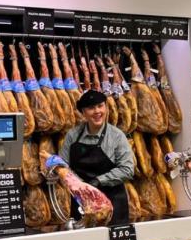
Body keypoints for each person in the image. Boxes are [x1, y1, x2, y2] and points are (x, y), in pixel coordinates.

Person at [56, 89, 135, 225]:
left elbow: (127, 169)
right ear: (83, 112)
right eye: (91, 108)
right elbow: (64, 166)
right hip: (82, 204)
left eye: (100, 106)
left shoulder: (116, 136)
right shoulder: (73, 135)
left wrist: (99, 181)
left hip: (112, 204)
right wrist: (56, 166)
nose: (97, 111)